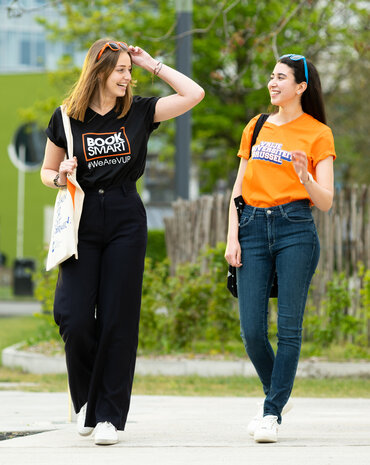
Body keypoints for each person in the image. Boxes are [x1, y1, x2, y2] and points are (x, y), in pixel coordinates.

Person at [41, 38, 204, 446]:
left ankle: (109, 415)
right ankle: (86, 402)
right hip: (81, 217)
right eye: (120, 71)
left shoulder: (140, 111)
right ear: (99, 72)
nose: (126, 78)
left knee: (118, 318)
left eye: (129, 72)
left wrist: (151, 64)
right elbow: (46, 172)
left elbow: (194, 94)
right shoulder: (65, 118)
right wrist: (60, 175)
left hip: (125, 217)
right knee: (73, 317)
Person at [225, 54, 335, 443]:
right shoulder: (255, 126)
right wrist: (232, 236)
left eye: (281, 78)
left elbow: (325, 201)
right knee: (252, 330)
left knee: (289, 328)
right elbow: (238, 188)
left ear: (301, 87)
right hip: (252, 227)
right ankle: (278, 393)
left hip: (295, 230)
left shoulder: (318, 133)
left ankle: (271, 412)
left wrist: (305, 176)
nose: (272, 83)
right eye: (271, 76)